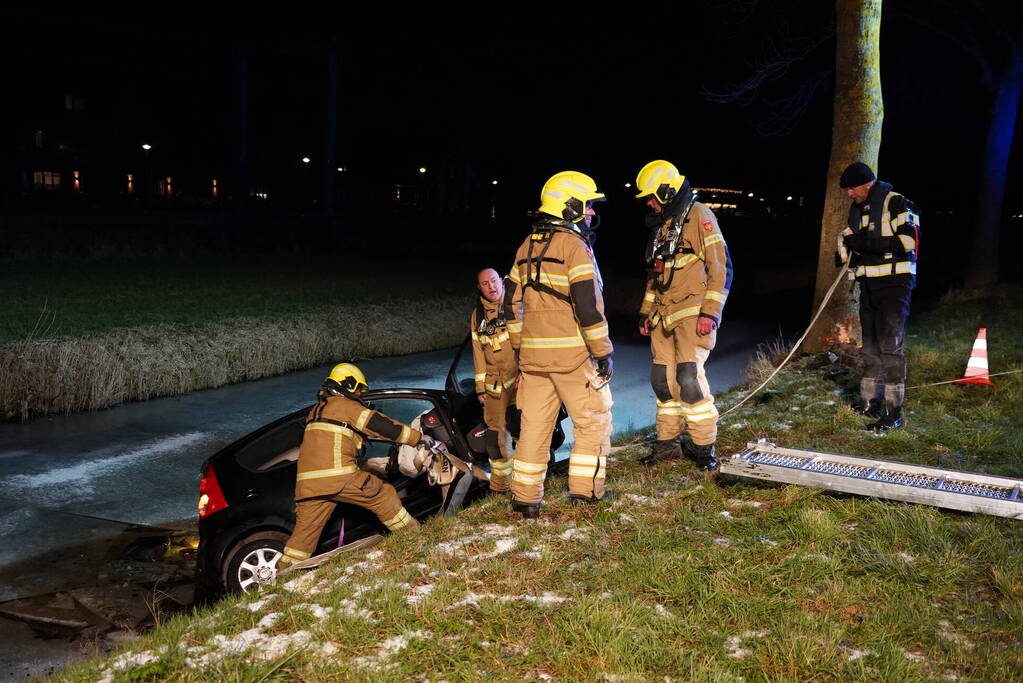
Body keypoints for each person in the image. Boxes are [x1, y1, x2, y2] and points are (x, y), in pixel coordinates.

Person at [502, 171, 614, 519]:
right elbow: (587, 305)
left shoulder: (525, 246)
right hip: (573, 358)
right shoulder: (575, 247)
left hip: (533, 361)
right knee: (592, 423)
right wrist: (602, 351)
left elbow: (509, 304)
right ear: (570, 206)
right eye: (588, 204)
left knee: (533, 429)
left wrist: (521, 350)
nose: (592, 211)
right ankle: (586, 494)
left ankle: (525, 500)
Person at [277, 363, 435, 570]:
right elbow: (380, 425)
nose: (360, 394)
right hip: (338, 477)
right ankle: (415, 538)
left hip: (308, 485)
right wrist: (417, 438)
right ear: (348, 385)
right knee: (383, 494)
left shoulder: (315, 412)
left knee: (303, 537)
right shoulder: (345, 406)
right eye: (359, 389)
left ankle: (284, 573)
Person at [635, 160, 732, 470]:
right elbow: (656, 277)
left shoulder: (700, 216)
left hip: (692, 314)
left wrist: (710, 313)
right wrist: (645, 312)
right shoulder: (665, 225)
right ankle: (667, 444)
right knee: (662, 381)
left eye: (652, 196)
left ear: (666, 191)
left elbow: (721, 268)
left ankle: (704, 449)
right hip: (663, 316)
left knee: (688, 380)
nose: (649, 203)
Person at [838, 161, 919, 430]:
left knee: (889, 347)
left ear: (866, 184)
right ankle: (870, 404)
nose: (849, 194)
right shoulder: (858, 210)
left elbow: (908, 243)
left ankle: (893, 413)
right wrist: (846, 253)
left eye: (852, 188)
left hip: (895, 285)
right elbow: (855, 243)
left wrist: (865, 245)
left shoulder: (896, 202)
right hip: (869, 286)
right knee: (870, 347)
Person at [470, 268, 518, 493]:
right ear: (479, 288)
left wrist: (527, 372)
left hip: (520, 381)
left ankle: (533, 481)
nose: (491, 287)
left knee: (526, 431)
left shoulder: (515, 303)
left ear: (501, 281)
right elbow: (478, 352)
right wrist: (480, 387)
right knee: (495, 440)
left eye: (493, 281)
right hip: (495, 387)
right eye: (485, 284)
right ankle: (500, 488)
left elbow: (528, 339)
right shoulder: (477, 315)